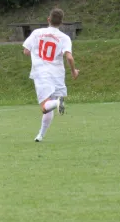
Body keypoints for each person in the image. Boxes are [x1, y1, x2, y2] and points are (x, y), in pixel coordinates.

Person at [22, 8, 80, 142]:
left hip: (42, 73)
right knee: (49, 107)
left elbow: (26, 51)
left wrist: (36, 53)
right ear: (61, 22)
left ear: (48, 19)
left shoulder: (37, 33)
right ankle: (40, 135)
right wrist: (73, 71)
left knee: (45, 107)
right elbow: (69, 58)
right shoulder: (65, 38)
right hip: (58, 74)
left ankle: (58, 102)